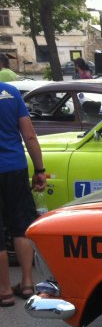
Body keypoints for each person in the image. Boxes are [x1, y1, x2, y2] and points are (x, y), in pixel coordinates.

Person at [0, 81, 46, 307]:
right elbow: (29, 136)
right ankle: (27, 283)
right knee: (21, 225)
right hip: (15, 169)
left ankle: (4, 291)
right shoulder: (10, 92)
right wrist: (40, 170)